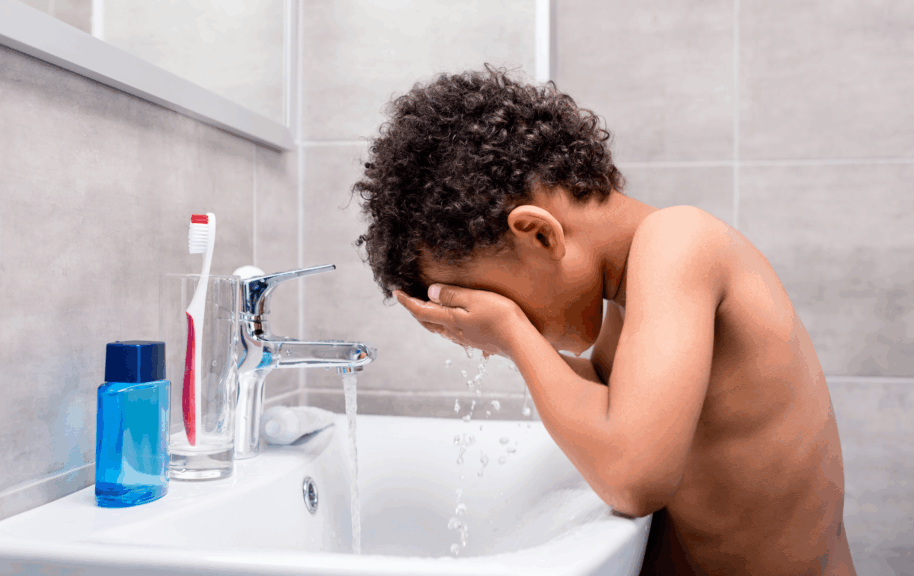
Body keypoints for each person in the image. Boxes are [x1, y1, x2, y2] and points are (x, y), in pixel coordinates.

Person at [351, 65, 857, 575]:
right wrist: (508, 338)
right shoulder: (629, 291)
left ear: (540, 235)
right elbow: (615, 405)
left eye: (482, 294)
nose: (483, 318)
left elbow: (635, 475)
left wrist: (512, 331)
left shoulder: (679, 241)